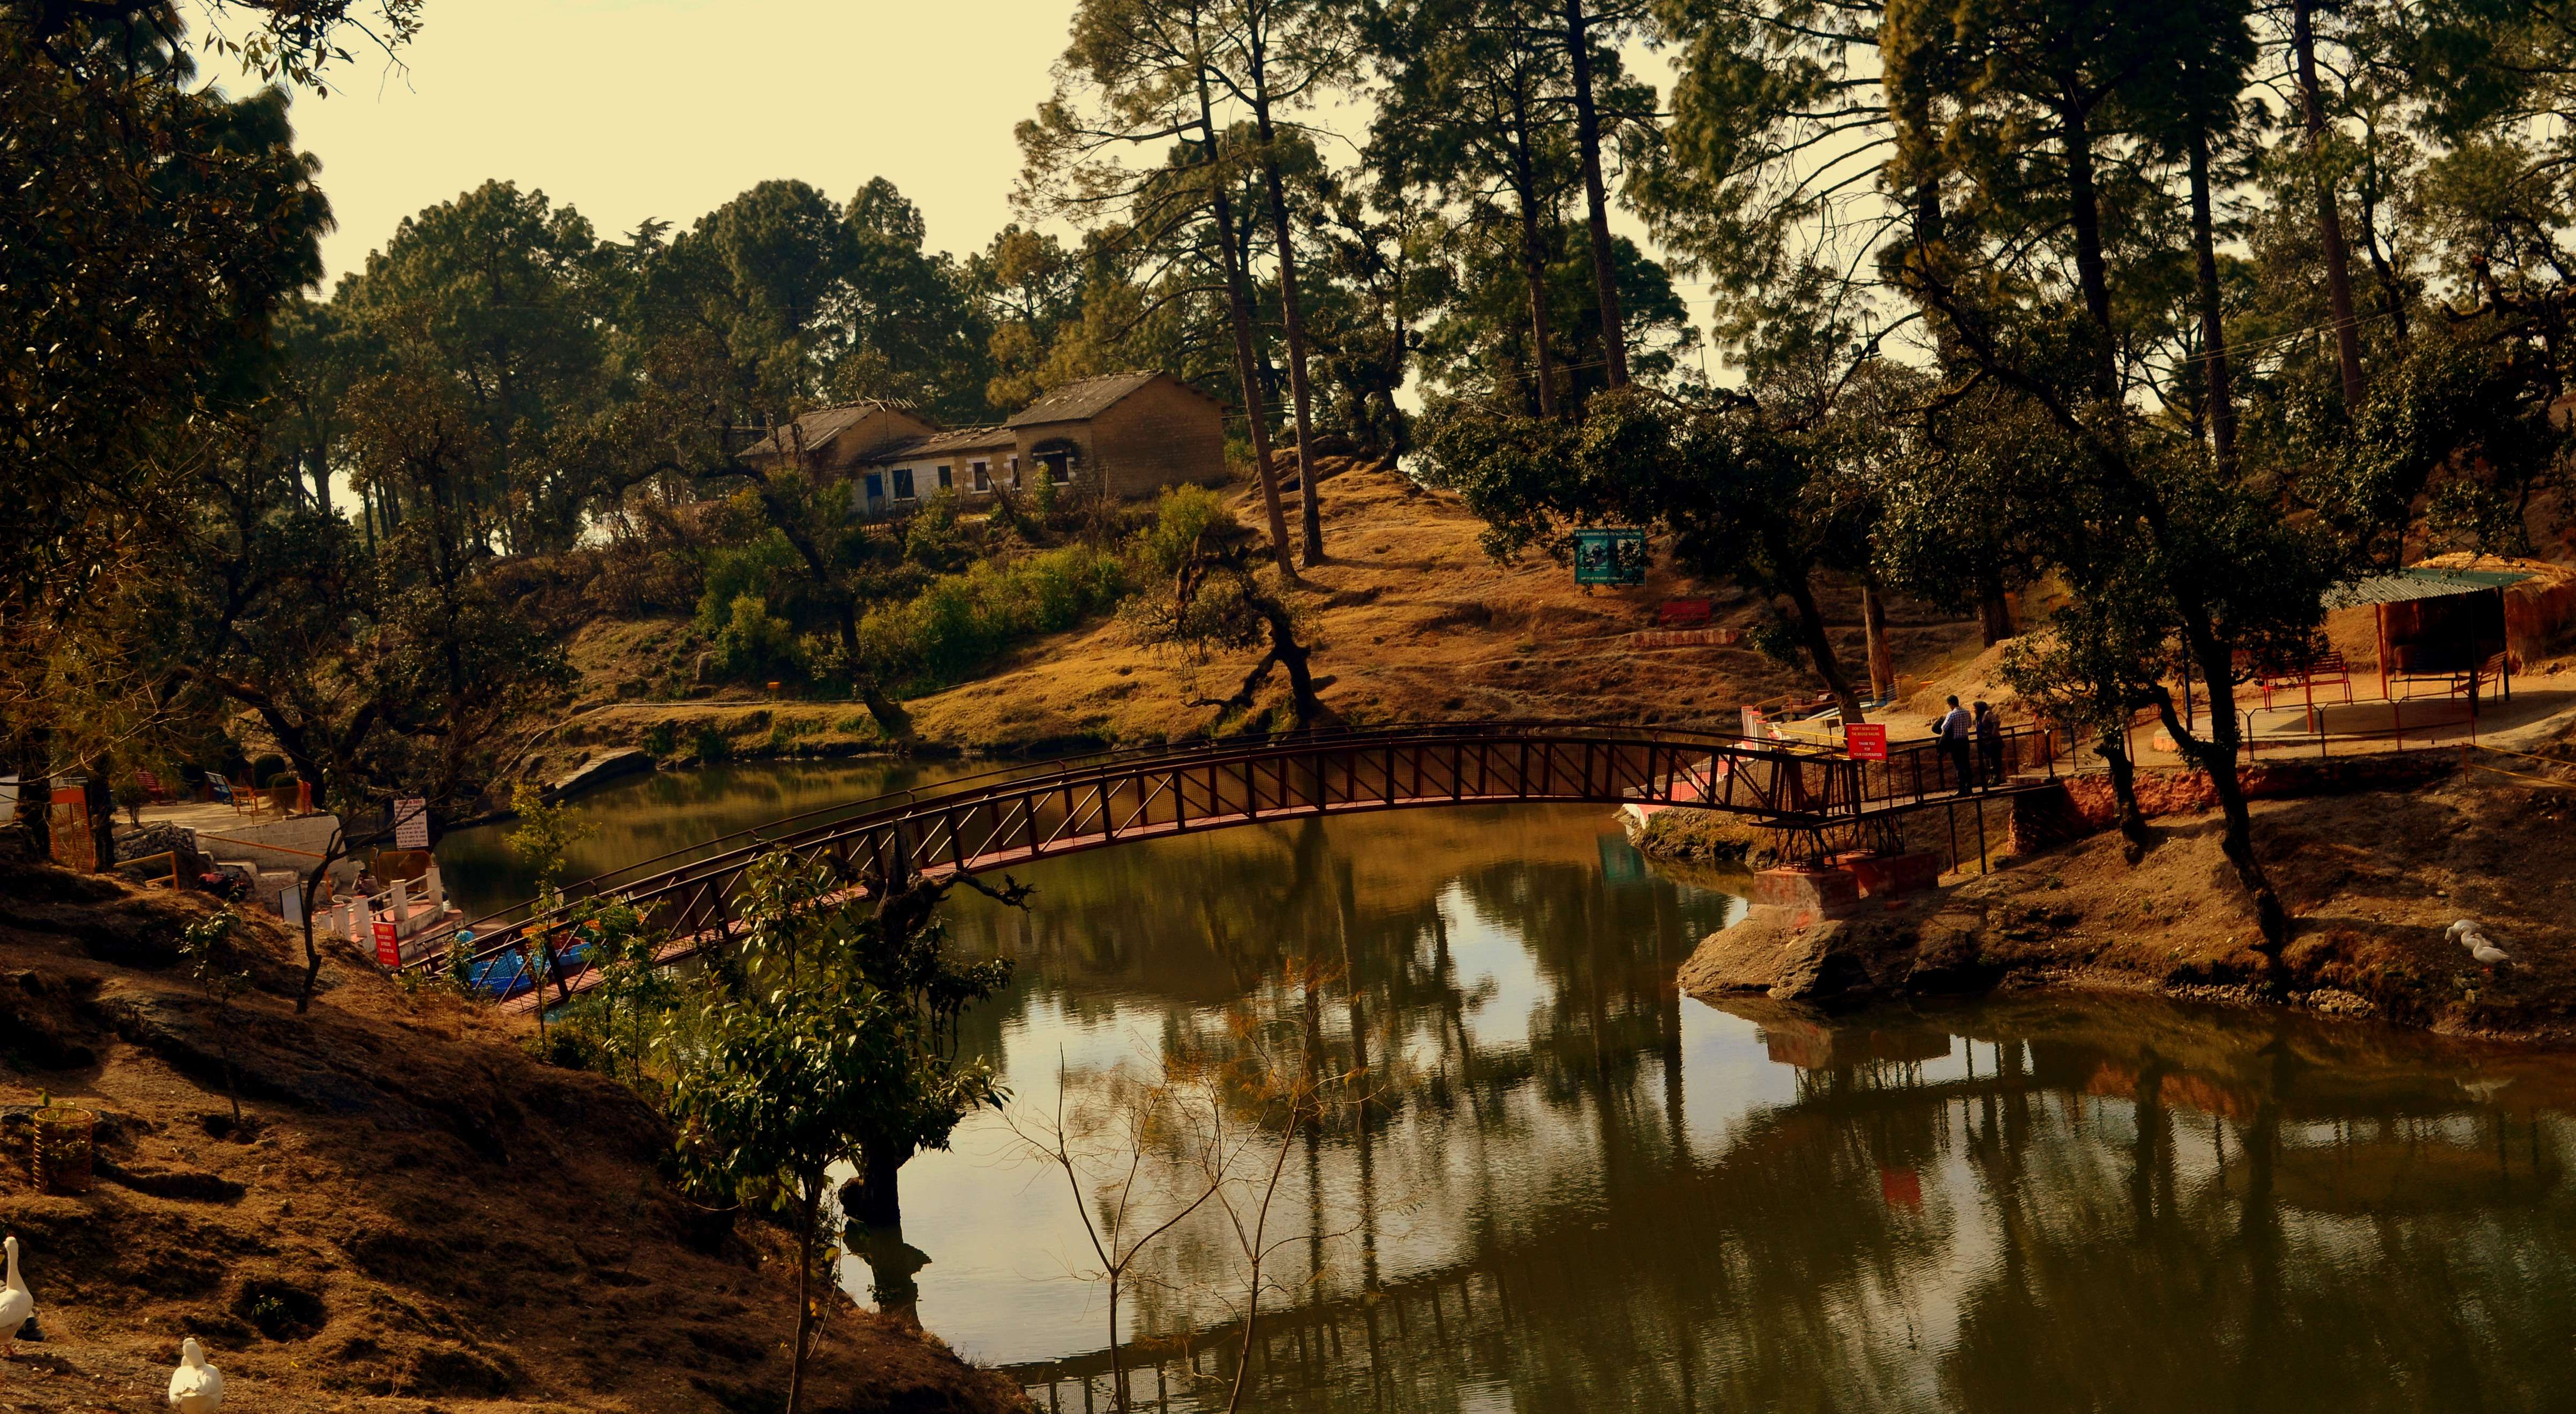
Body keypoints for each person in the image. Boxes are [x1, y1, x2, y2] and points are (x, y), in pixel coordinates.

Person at [1935, 695, 1975, 794]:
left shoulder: (1952, 714)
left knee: (1959, 766)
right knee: (1967, 764)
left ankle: (1961, 790)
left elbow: (1944, 728)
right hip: (1965, 741)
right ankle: (1969, 788)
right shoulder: (1967, 712)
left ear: (1950, 704)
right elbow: (1969, 725)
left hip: (1956, 743)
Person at [1974, 700, 2006, 784]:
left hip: (1993, 742)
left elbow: (1996, 722)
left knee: (1995, 761)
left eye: (1975, 708)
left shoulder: (1987, 714)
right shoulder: (1979, 717)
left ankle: (1996, 779)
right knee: (1989, 762)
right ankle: (1991, 778)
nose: (1974, 710)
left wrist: (1993, 733)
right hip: (1985, 742)